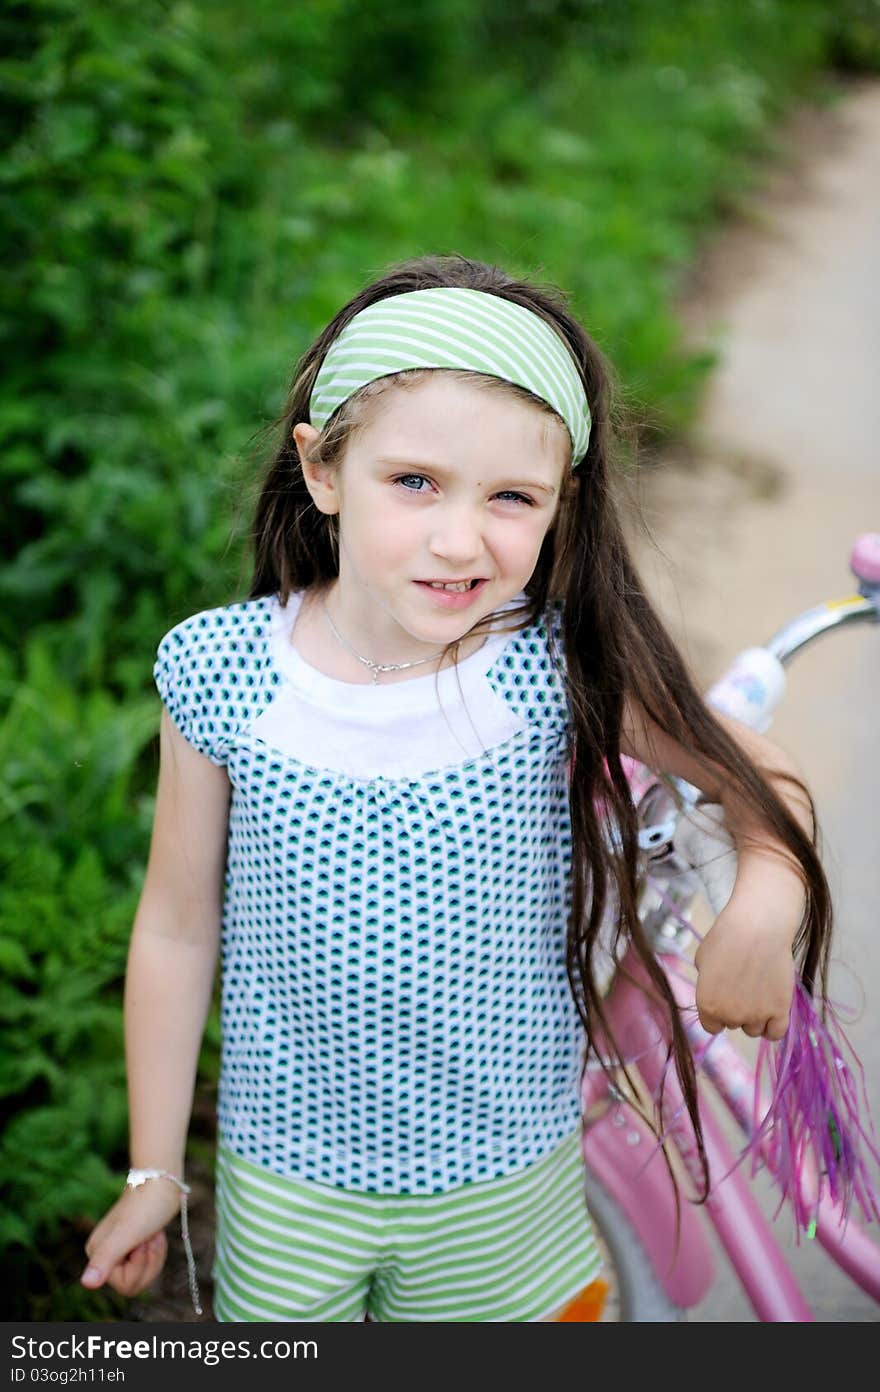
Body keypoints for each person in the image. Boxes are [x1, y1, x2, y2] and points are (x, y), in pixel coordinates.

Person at [80, 253, 831, 1321]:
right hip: (286, 1187)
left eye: (511, 497)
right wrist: (156, 1174)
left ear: (560, 504)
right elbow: (175, 927)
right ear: (323, 468)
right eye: (415, 482)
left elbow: (765, 782)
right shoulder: (219, 671)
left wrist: (766, 899)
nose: (458, 538)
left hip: (504, 1191)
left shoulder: (558, 667)